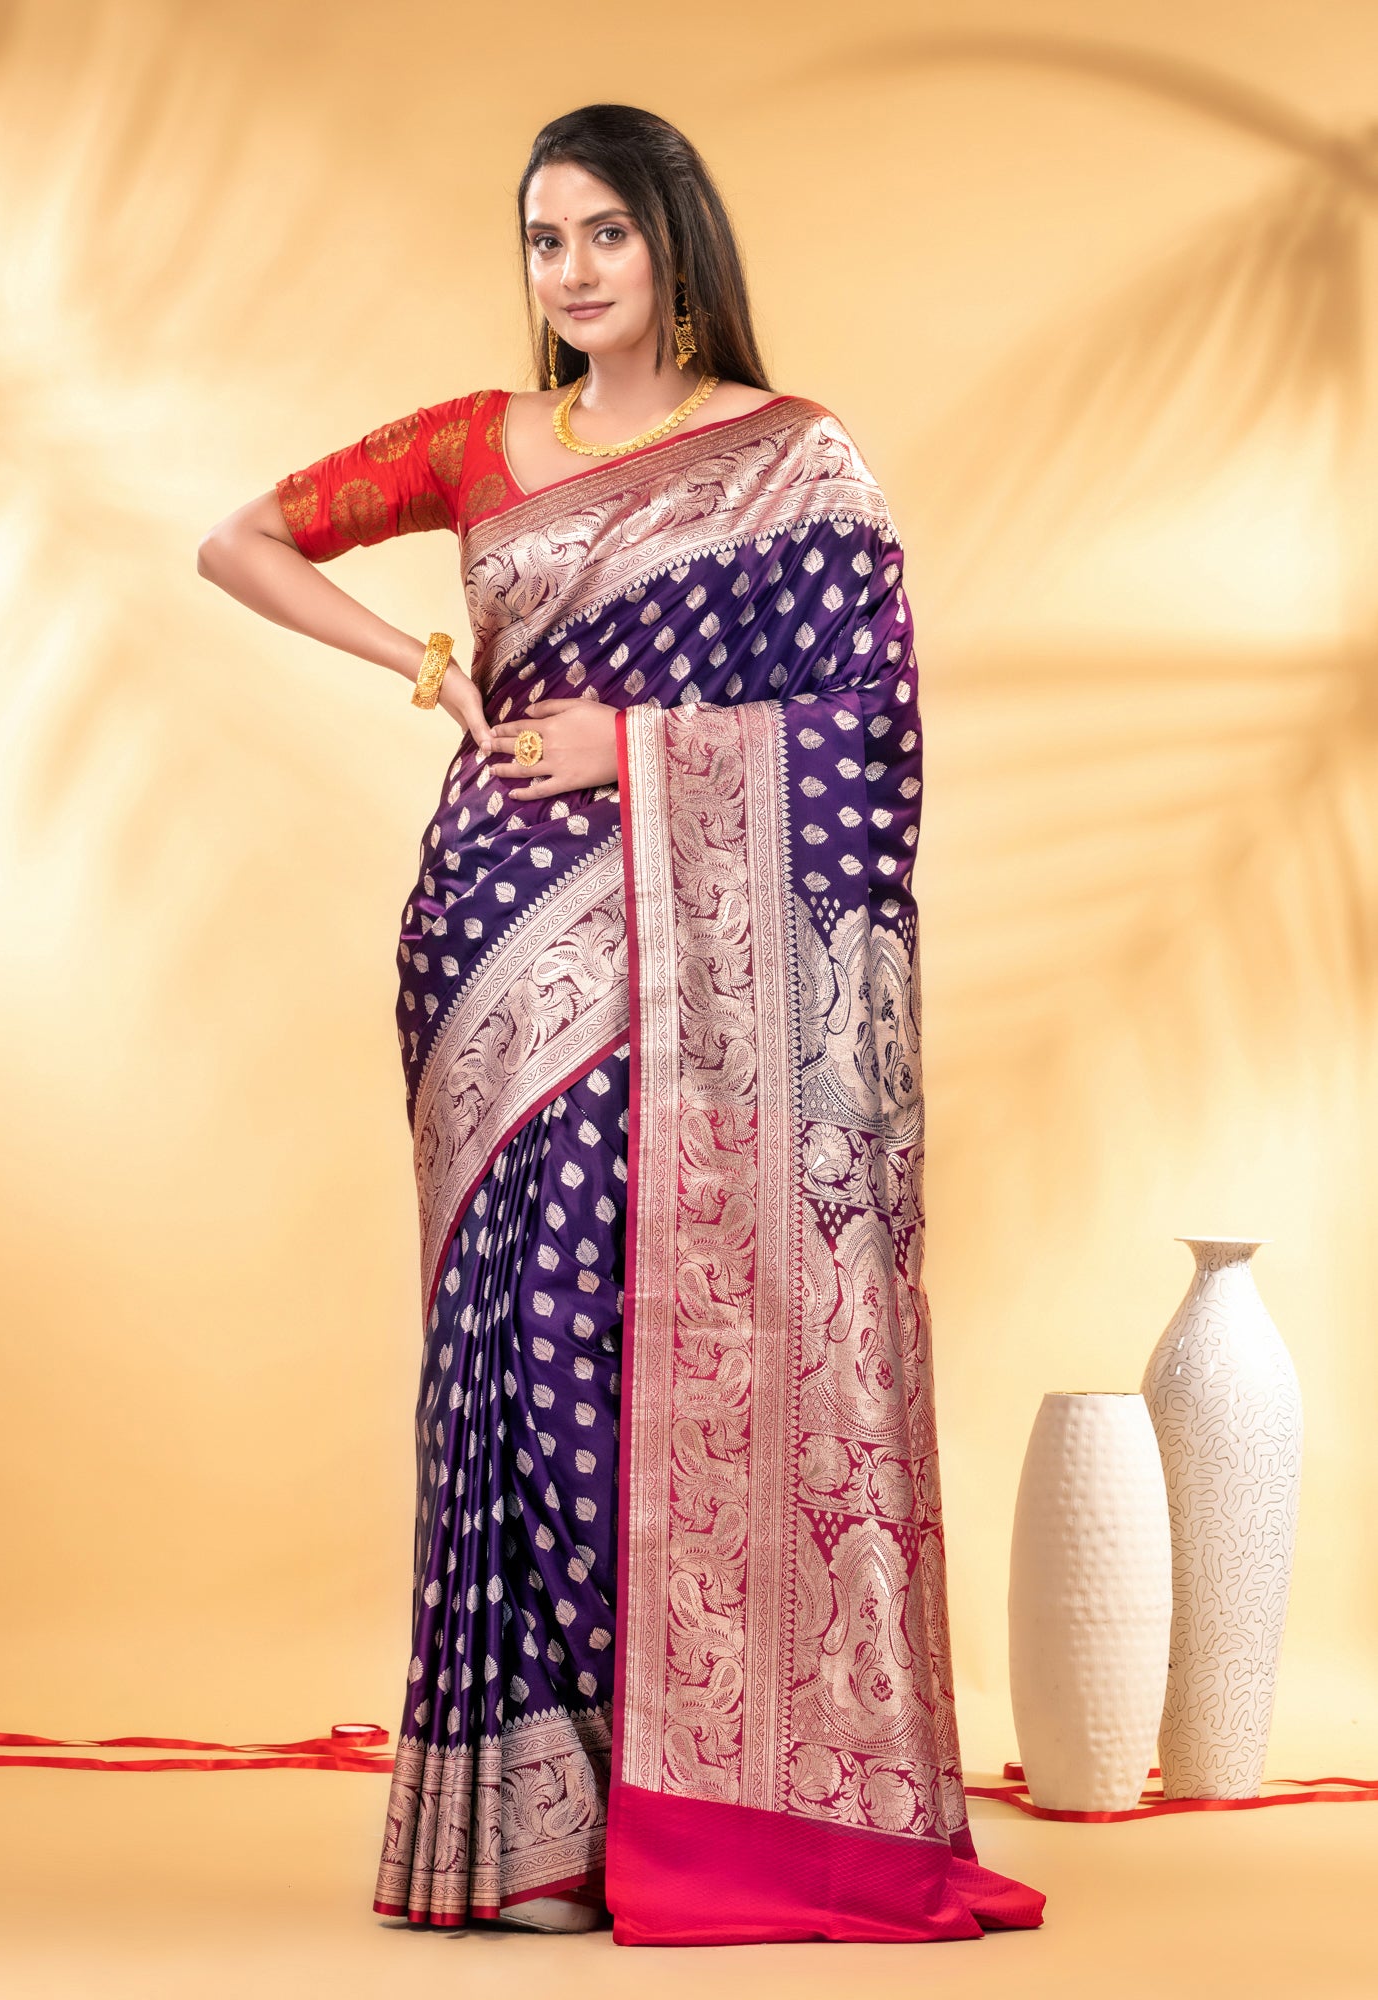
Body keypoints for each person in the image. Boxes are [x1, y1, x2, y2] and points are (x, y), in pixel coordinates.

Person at [197, 101, 1046, 1948]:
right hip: (489, 950)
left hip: (689, 956)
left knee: (633, 1342)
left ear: (675, 239)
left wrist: (637, 745)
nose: (574, 272)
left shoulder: (793, 459)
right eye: (544, 239)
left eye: (606, 233)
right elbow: (240, 539)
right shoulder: (477, 444)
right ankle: (528, 1834)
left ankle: (677, 1813)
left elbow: (871, 730)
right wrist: (426, 666)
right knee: (508, 1353)